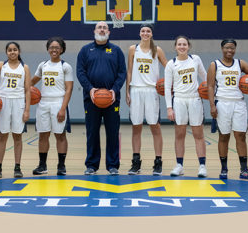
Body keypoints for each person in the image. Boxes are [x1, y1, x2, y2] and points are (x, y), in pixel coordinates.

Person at [77, 21, 126, 175]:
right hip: (91, 99)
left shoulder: (116, 51)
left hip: (111, 99)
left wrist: (114, 90)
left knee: (113, 132)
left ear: (109, 32)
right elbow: (80, 72)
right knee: (92, 132)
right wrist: (90, 89)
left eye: (105, 27)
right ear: (94, 31)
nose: (102, 29)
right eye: (100, 27)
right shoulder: (85, 50)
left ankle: (112, 165)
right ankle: (91, 165)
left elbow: (122, 73)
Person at [207, 39, 248, 180]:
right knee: (224, 136)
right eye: (227, 48)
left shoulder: (240, 64)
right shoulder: (214, 65)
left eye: (232, 48)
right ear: (222, 48)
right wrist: (212, 105)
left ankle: (244, 170)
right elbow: (210, 86)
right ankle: (224, 169)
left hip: (238, 103)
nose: (230, 50)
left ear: (235, 49)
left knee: (241, 136)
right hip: (222, 103)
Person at [125, 24, 167, 175]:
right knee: (136, 127)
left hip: (151, 90)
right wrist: (127, 91)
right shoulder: (132, 49)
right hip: (136, 89)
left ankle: (158, 162)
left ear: (151, 34)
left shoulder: (157, 50)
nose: (145, 33)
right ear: (139, 33)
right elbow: (129, 71)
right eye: (143, 31)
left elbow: (168, 67)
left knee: (155, 127)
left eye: (148, 31)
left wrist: (166, 85)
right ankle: (136, 163)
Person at [164, 36, 208, 177]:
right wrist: (169, 108)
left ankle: (202, 166)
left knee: (198, 134)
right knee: (180, 134)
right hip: (179, 100)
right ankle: (179, 165)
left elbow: (205, 77)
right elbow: (166, 88)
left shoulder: (195, 59)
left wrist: (209, 92)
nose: (182, 47)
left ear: (188, 46)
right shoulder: (171, 64)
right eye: (179, 44)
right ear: (175, 47)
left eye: (184, 44)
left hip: (195, 99)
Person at [31, 37, 73, 176]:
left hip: (58, 102)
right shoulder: (43, 65)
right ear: (48, 49)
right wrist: (23, 88)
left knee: (60, 135)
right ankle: (42, 165)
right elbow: (32, 82)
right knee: (43, 135)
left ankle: (61, 166)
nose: (54, 50)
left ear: (61, 49)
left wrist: (62, 108)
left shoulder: (65, 66)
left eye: (57, 47)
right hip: (43, 102)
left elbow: (69, 89)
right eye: (51, 47)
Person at [0, 42, 31, 178]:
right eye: (9, 50)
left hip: (18, 102)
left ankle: (17, 167)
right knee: (2, 136)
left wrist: (27, 110)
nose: (12, 52)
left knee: (17, 136)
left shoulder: (24, 67)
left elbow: (28, 91)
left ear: (19, 51)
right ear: (6, 52)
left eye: (15, 50)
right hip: (3, 102)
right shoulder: (1, 65)